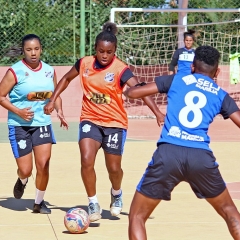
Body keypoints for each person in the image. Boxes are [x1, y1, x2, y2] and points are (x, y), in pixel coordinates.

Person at [124, 45, 240, 240]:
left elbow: (133, 94)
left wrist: (133, 88)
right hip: (200, 157)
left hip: (169, 153)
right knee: (229, 210)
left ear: (192, 66)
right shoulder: (220, 95)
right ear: (217, 71)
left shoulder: (177, 80)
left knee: (137, 216)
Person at [44, 22, 165, 222]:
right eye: (101, 51)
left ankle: (116, 193)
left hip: (115, 123)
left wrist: (157, 112)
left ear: (115, 51)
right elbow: (65, 79)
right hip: (90, 119)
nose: (104, 55)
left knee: (114, 168)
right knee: (86, 159)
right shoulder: (84, 64)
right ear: (95, 50)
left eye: (109, 52)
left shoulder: (121, 69)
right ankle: (93, 202)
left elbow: (141, 89)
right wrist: (52, 99)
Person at [0, 34, 68, 214]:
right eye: (29, 50)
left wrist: (60, 111)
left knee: (44, 164)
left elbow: (55, 95)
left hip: (42, 124)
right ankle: (22, 180)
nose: (33, 53)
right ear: (24, 51)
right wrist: (18, 111)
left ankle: (38, 202)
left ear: (41, 49)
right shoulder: (15, 71)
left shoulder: (50, 70)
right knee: (26, 169)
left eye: (36, 49)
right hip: (19, 125)